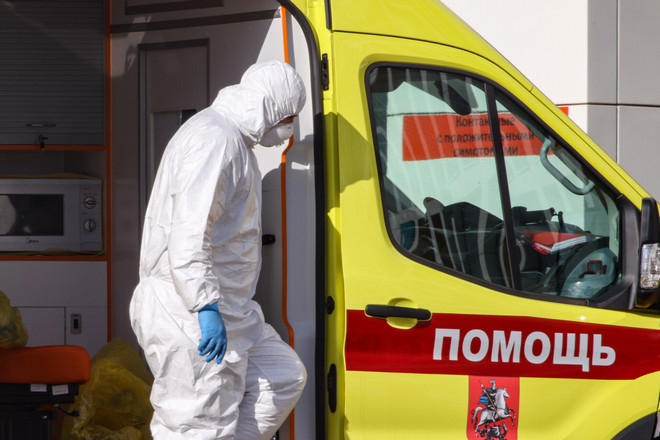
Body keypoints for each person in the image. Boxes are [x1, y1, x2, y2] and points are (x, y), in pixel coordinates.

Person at [130, 60, 307, 439]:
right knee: (198, 424)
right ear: (270, 106)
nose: (289, 129)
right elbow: (189, 233)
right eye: (289, 118)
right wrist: (205, 307)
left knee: (281, 376)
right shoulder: (216, 141)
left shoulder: (231, 140)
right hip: (189, 312)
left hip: (230, 310)